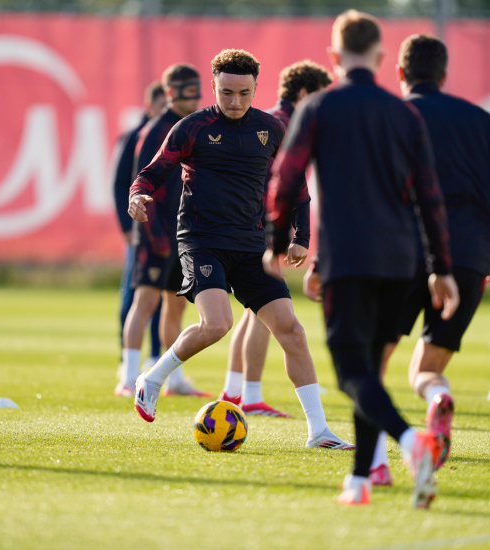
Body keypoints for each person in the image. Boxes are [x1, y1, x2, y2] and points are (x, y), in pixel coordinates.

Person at [266, 11, 460, 507]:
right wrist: (441, 267)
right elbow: (431, 197)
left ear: (333, 58)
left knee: (352, 372)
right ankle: (359, 480)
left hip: (349, 259)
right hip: (403, 261)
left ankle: (411, 441)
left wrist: (272, 245)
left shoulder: (319, 109)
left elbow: (285, 182)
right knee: (370, 368)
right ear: (378, 58)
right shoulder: (405, 114)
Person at [129, 49, 353, 450]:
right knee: (217, 324)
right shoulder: (191, 127)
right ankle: (152, 378)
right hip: (201, 241)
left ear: (255, 89)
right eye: (226, 92)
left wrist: (300, 234)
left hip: (252, 245)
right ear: (214, 85)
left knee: (293, 332)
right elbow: (152, 172)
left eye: (243, 93)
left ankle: (319, 431)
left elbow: (297, 188)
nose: (234, 101)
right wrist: (138, 196)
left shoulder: (271, 129)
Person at [367, 34, 490, 486]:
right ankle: (437, 399)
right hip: (469, 257)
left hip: (403, 252)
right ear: (444, 74)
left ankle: (376, 464)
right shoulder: (479, 118)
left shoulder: (392, 114)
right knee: (428, 369)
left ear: (399, 73)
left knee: (374, 363)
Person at [218, 60, 332, 418]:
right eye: (320, 96)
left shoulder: (265, 118)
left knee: (257, 313)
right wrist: (288, 232)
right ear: (304, 93)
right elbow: (284, 184)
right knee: (270, 313)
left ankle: (234, 390)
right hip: (262, 225)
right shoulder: (287, 125)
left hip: (249, 223)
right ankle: (250, 396)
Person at [118, 64, 211, 398]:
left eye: (198, 90)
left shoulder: (191, 127)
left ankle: (175, 378)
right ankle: (128, 378)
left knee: (176, 305)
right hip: (153, 230)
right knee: (144, 300)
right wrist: (153, 233)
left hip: (181, 232)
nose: (196, 97)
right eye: (188, 91)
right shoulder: (156, 130)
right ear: (171, 92)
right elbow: (141, 182)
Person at [112, 82, 166, 382]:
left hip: (168, 230)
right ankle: (126, 359)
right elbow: (119, 184)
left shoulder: (177, 134)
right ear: (150, 106)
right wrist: (126, 228)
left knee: (166, 298)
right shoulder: (136, 137)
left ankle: (156, 355)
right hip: (140, 229)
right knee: (134, 295)